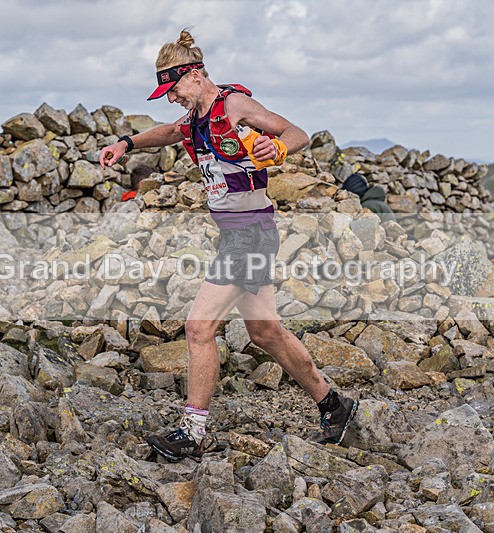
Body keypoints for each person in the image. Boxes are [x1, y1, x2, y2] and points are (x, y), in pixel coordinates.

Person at [100, 30, 358, 463]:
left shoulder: (232, 104)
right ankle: (335, 406)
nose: (171, 97)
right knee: (265, 332)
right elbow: (168, 133)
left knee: (199, 328)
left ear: (196, 74)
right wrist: (126, 144)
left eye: (174, 87)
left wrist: (273, 148)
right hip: (246, 232)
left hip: (249, 234)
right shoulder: (197, 117)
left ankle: (192, 430)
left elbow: (297, 133)